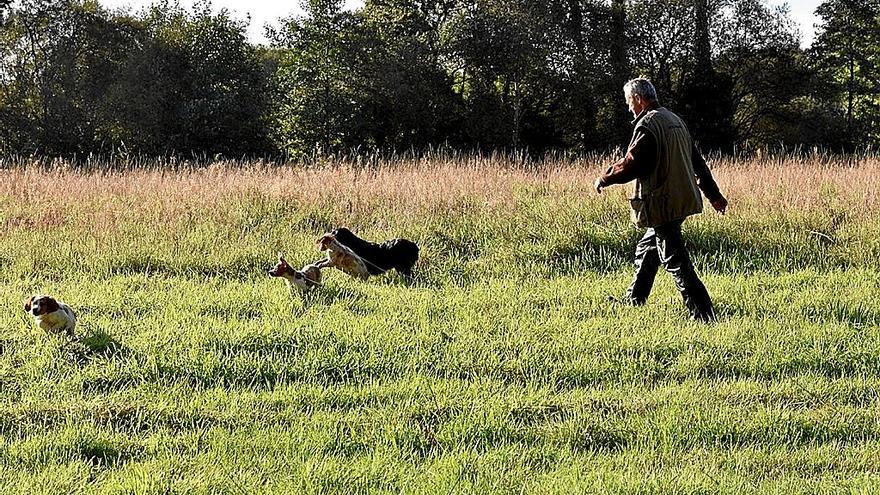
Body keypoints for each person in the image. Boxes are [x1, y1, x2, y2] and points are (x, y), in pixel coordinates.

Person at [594, 77, 728, 322]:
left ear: (638, 99)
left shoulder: (648, 124)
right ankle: (634, 299)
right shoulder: (675, 120)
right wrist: (714, 195)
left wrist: (605, 178)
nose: (628, 107)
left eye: (628, 102)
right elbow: (698, 162)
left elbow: (632, 164)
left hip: (663, 201)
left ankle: (703, 313)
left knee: (675, 259)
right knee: (647, 248)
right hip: (681, 199)